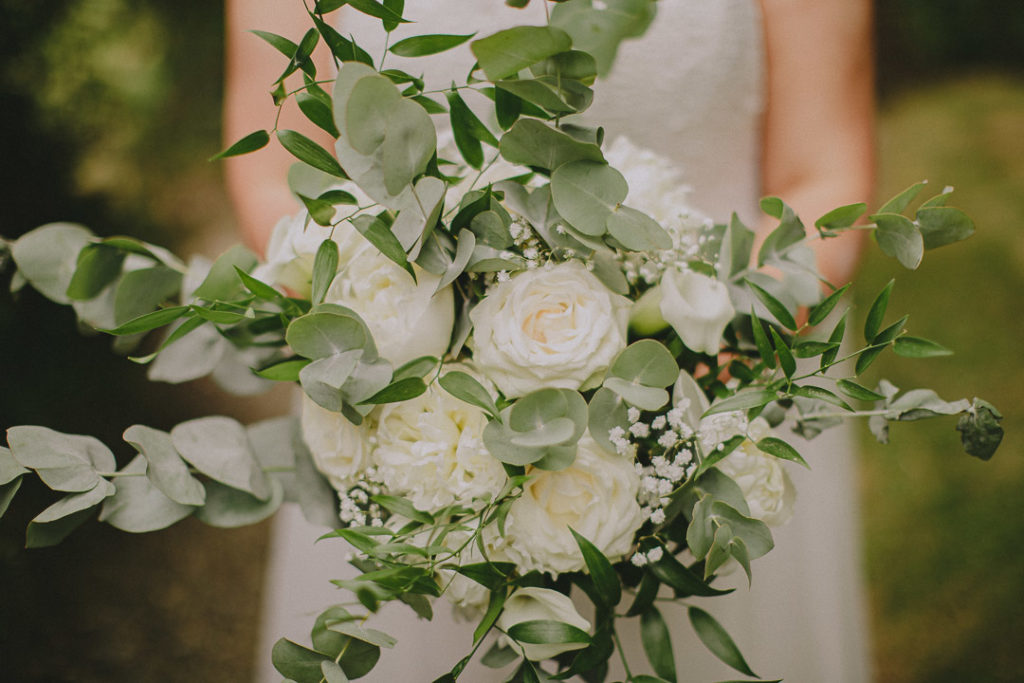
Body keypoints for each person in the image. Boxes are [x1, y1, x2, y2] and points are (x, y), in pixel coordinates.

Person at [224, 1, 875, 681]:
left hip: (710, 414)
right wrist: (408, 345)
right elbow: (273, 174)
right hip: (407, 428)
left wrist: (706, 359)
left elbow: (823, 180)